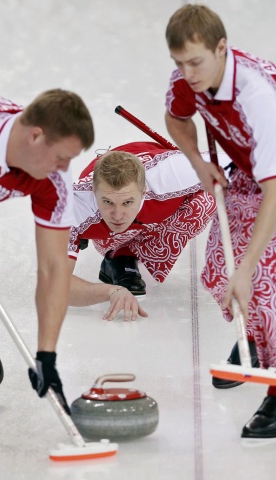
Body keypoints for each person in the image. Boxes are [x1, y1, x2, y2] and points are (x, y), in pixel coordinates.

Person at [164, 4, 276, 441]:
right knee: (218, 272)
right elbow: (176, 115)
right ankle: (256, 334)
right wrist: (196, 160)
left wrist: (249, 269)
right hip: (251, 170)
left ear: (221, 48)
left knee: (259, 281)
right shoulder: (185, 78)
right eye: (179, 62)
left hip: (271, 178)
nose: (187, 73)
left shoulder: (257, 95)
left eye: (196, 62)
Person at [0, 84, 94, 413]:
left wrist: (47, 355)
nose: (64, 169)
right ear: (34, 136)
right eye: (61, 157)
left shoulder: (53, 179)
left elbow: (53, 267)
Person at [67, 140, 230, 322]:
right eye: (107, 202)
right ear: (94, 191)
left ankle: (126, 252)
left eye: (127, 202)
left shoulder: (173, 175)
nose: (118, 215)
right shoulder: (72, 208)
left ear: (144, 191)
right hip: (95, 217)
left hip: (160, 172)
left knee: (206, 201)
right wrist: (110, 291)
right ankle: (114, 251)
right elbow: (54, 285)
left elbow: (254, 171)